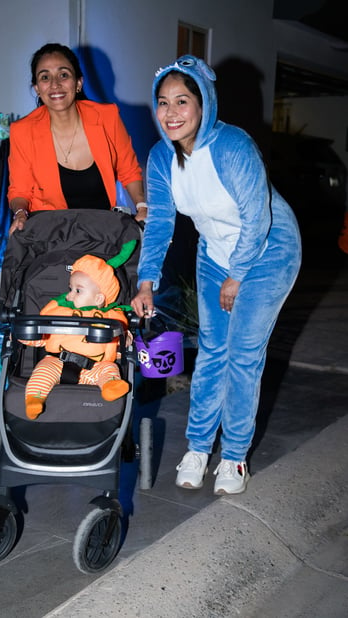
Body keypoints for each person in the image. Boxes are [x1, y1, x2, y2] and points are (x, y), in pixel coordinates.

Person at [131, 55, 302, 495]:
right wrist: (145, 280)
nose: (171, 113)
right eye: (163, 102)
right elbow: (162, 222)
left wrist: (238, 275)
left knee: (243, 354)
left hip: (268, 249)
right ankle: (199, 446)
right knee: (211, 351)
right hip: (216, 253)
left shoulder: (233, 146)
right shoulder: (160, 157)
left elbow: (257, 218)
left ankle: (234, 457)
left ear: (203, 103)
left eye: (182, 101)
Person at [7, 43, 147, 235]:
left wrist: (142, 206)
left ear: (78, 83)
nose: (55, 84)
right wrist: (21, 213)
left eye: (63, 75)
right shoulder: (22, 131)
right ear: (37, 88)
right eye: (45, 77)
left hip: (102, 232)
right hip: (53, 235)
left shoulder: (107, 117)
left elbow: (129, 170)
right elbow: (19, 191)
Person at [21, 242, 136, 420]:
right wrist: (24, 335)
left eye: (77, 290)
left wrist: (125, 341)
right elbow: (44, 337)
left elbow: (117, 349)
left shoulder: (111, 319)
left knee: (109, 368)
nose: (69, 295)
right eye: (70, 289)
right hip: (58, 363)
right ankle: (35, 399)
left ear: (98, 298)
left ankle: (110, 386)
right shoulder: (61, 315)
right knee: (42, 370)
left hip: (95, 368)